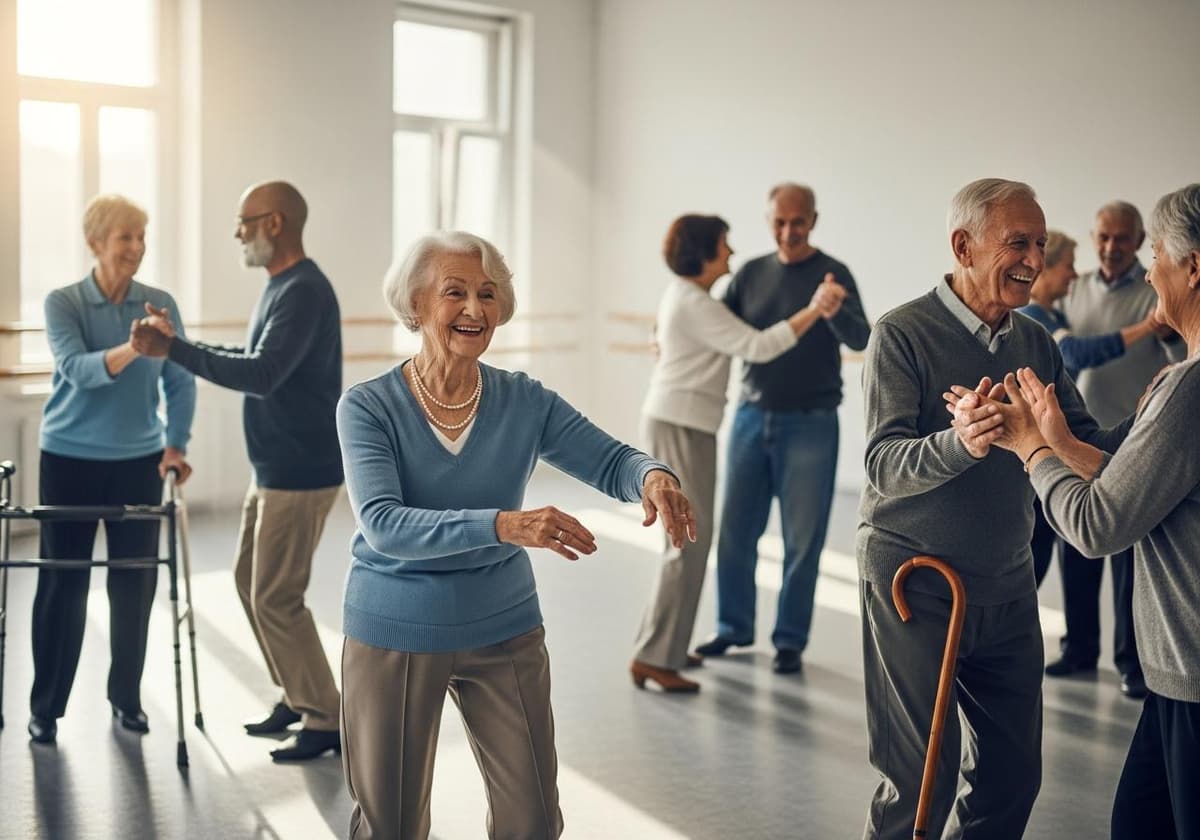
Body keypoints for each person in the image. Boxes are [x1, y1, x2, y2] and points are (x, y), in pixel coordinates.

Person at [335, 231, 695, 839]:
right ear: (417, 306)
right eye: (456, 293)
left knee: (531, 820)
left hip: (502, 624)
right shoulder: (367, 407)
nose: (476, 309)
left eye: (488, 294)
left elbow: (611, 460)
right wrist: (506, 524)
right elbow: (384, 524)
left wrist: (653, 475)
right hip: (395, 628)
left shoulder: (522, 400)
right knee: (390, 827)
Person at [858, 178, 1130, 840]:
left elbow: (1081, 442)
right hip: (916, 583)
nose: (1035, 260)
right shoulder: (902, 334)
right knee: (920, 781)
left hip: (1007, 587)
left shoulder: (1035, 341)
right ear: (964, 245)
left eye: (1039, 244)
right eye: (1018, 243)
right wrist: (963, 442)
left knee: (1012, 776)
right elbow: (881, 465)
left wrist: (1159, 415)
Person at [961, 183, 1200, 840]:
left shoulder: (1189, 385)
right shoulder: (1181, 378)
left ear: (1193, 268)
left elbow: (1097, 526)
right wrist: (1061, 440)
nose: (1149, 267)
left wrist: (1031, 448)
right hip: (1175, 678)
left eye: (1156, 251)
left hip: (1192, 671)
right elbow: (1132, 470)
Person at [129, 181, 343, 762]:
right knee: (252, 586)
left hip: (300, 471)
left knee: (276, 596)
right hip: (276, 467)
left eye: (244, 221)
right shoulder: (282, 287)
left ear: (274, 223)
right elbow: (255, 360)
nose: (237, 232)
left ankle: (327, 717)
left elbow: (264, 375)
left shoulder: (303, 290)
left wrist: (172, 351)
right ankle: (298, 696)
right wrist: (179, 344)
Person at [631, 214, 841, 693]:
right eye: (723, 245)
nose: (730, 252)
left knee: (689, 539)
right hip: (680, 423)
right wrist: (813, 309)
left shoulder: (690, 298)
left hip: (687, 423)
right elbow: (758, 345)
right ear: (704, 253)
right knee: (684, 542)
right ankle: (653, 657)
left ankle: (663, 648)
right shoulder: (691, 300)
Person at [29, 194, 195, 745]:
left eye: (141, 237)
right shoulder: (64, 303)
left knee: (134, 584)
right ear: (96, 242)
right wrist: (133, 348)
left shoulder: (158, 303)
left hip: (137, 462)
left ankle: (126, 697)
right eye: (125, 236)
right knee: (63, 585)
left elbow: (179, 379)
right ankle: (46, 707)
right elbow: (77, 371)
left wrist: (175, 444)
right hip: (69, 460)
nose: (136, 247)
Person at [693, 183, 870, 675]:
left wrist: (835, 312)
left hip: (812, 423)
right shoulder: (749, 274)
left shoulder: (835, 275)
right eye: (779, 222)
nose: (788, 232)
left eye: (798, 222)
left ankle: (789, 640)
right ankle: (733, 628)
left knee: (803, 539)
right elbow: (713, 324)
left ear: (813, 220)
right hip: (750, 417)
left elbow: (864, 338)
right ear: (768, 220)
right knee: (735, 533)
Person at [1043, 201, 1185, 695]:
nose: (1110, 247)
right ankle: (1078, 648)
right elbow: (1069, 352)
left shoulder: (1159, 294)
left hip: (1140, 440)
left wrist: (1161, 338)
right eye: (1102, 237)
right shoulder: (1073, 289)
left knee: (1127, 555)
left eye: (1122, 239)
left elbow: (1178, 357)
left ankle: (1132, 663)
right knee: (1077, 553)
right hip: (1084, 435)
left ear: (1140, 241)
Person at [1016, 229, 1160, 585]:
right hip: (1040, 460)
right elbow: (1077, 353)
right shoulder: (1034, 319)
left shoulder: (1056, 320)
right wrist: (1149, 325)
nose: (1074, 275)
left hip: (1057, 457)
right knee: (1035, 565)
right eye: (1067, 266)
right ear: (1044, 270)